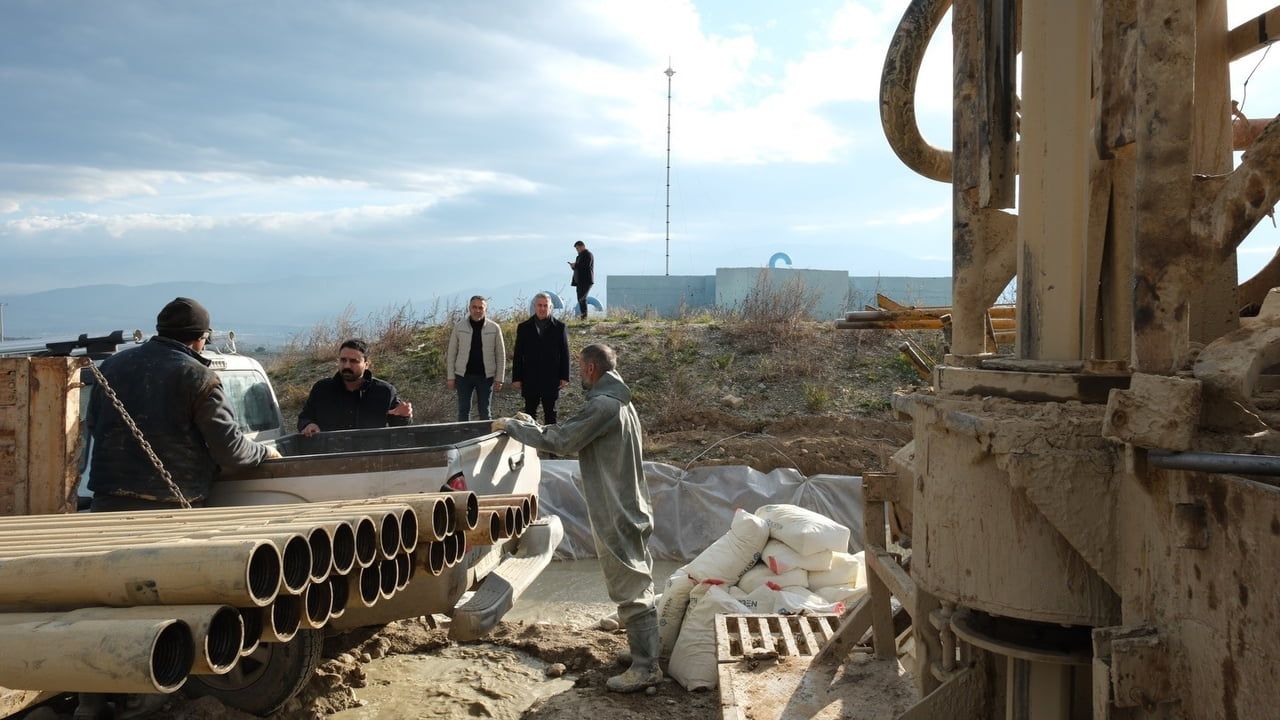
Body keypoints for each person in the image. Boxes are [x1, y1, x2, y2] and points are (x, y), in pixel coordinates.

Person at [493, 344, 661, 693]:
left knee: (631, 587)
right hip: (631, 504)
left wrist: (513, 426)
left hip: (616, 508)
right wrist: (534, 426)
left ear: (590, 370)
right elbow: (572, 430)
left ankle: (646, 667)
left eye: (580, 367)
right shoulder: (622, 403)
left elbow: (564, 440)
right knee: (638, 580)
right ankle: (643, 655)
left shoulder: (603, 405)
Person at [86, 297, 281, 512]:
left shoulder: (111, 366)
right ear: (201, 338)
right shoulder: (199, 377)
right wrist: (264, 452)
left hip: (108, 501)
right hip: (172, 504)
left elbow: (95, 426)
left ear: (160, 330)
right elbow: (230, 451)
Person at [297, 338, 413, 436]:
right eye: (343, 360)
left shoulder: (384, 391)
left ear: (366, 364)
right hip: (329, 456)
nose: (347, 365)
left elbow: (399, 429)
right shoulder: (322, 389)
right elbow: (304, 417)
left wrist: (404, 416)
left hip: (370, 456)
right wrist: (308, 425)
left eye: (354, 361)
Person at [511, 292, 570, 424]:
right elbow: (518, 355)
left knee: (551, 414)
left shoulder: (560, 327)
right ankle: (530, 443)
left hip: (551, 379)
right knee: (529, 414)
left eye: (545, 305)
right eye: (540, 305)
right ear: (535, 306)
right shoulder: (523, 327)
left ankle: (550, 443)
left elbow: (565, 353)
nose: (542, 308)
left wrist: (564, 376)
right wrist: (516, 378)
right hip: (530, 379)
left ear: (550, 307)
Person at [446, 295, 506, 421]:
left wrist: (499, 378)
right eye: (474, 307)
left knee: (485, 411)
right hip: (463, 376)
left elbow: (501, 355)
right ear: (469, 308)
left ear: (485, 309)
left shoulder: (494, 328)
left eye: (481, 307)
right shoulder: (459, 327)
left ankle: (485, 440)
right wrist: (450, 377)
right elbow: (451, 353)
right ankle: (464, 439)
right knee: (463, 411)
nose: (477, 310)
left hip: (486, 377)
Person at [568, 240, 594, 320]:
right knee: (580, 299)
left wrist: (576, 265)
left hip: (586, 281)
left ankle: (584, 317)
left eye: (577, 248)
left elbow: (586, 266)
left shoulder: (588, 255)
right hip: (579, 281)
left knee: (582, 298)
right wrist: (573, 266)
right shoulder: (578, 256)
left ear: (582, 246)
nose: (577, 250)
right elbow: (578, 268)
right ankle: (583, 317)